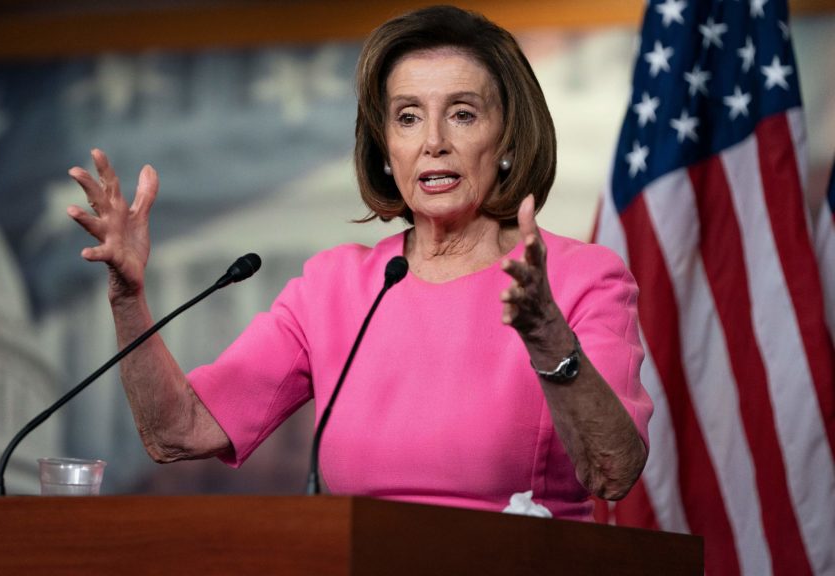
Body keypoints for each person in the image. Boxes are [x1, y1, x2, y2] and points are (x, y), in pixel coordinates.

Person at [67, 5, 651, 520]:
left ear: (510, 141)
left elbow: (613, 471)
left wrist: (549, 337)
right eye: (408, 116)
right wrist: (127, 295)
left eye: (464, 114)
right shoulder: (336, 286)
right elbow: (179, 430)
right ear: (385, 147)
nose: (434, 142)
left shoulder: (580, 279)